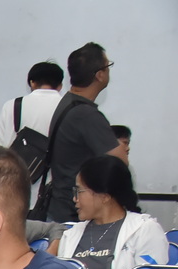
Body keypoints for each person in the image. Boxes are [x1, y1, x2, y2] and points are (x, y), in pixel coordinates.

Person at [54, 154, 168, 269]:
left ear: (104, 196)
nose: (74, 199)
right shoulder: (71, 234)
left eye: (79, 191)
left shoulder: (144, 230)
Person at [41, 42, 126, 223]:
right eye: (108, 65)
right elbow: (119, 164)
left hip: (61, 207)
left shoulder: (68, 102)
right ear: (100, 75)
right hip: (74, 215)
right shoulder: (86, 115)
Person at [0, 60, 64, 206]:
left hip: (15, 190)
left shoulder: (12, 105)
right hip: (53, 194)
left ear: (32, 83)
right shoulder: (68, 107)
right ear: (60, 85)